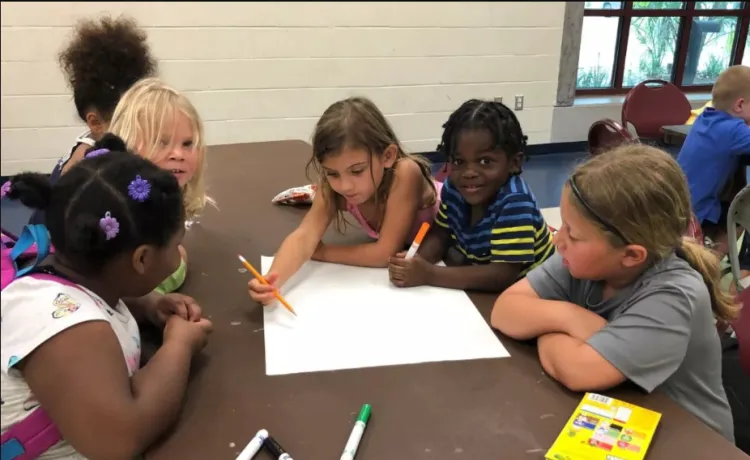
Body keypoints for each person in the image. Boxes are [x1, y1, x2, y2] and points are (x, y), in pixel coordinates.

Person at [490, 144, 738, 444]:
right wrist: (571, 317)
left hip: (689, 441)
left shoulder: (674, 294)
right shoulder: (582, 261)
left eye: (573, 233)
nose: (558, 240)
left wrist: (543, 324)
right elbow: (504, 310)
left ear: (632, 255)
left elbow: (578, 371)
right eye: (564, 226)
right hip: (623, 415)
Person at [0, 134, 213, 459]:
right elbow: (119, 441)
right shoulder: (69, 330)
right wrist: (179, 347)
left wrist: (147, 303)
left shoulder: (68, 270)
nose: (178, 254)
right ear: (141, 259)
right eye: (175, 244)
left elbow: (88, 297)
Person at [248, 96, 439, 305]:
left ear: (388, 156)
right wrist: (272, 281)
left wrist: (321, 251)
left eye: (357, 171)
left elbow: (385, 253)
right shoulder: (331, 187)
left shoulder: (404, 173)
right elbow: (304, 236)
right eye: (332, 173)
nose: (344, 186)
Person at [388, 99, 554, 292]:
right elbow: (441, 234)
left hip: (534, 287)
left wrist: (428, 274)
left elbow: (502, 275)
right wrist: (416, 261)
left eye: (485, 161)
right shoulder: (453, 188)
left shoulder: (515, 201)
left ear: (514, 163)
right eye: (459, 161)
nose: (469, 172)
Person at [29, 14, 157, 226]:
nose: (142, 129)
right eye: (129, 120)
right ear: (96, 123)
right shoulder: (84, 171)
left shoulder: (101, 147)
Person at [107, 77, 212, 294]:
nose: (178, 155)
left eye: (187, 144)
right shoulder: (119, 212)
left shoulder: (167, 200)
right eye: (162, 142)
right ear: (127, 144)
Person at [677, 65, 750, 247]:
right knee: (745, 212)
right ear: (740, 105)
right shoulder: (733, 131)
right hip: (698, 211)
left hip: (678, 202)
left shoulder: (706, 118)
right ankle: (712, 259)